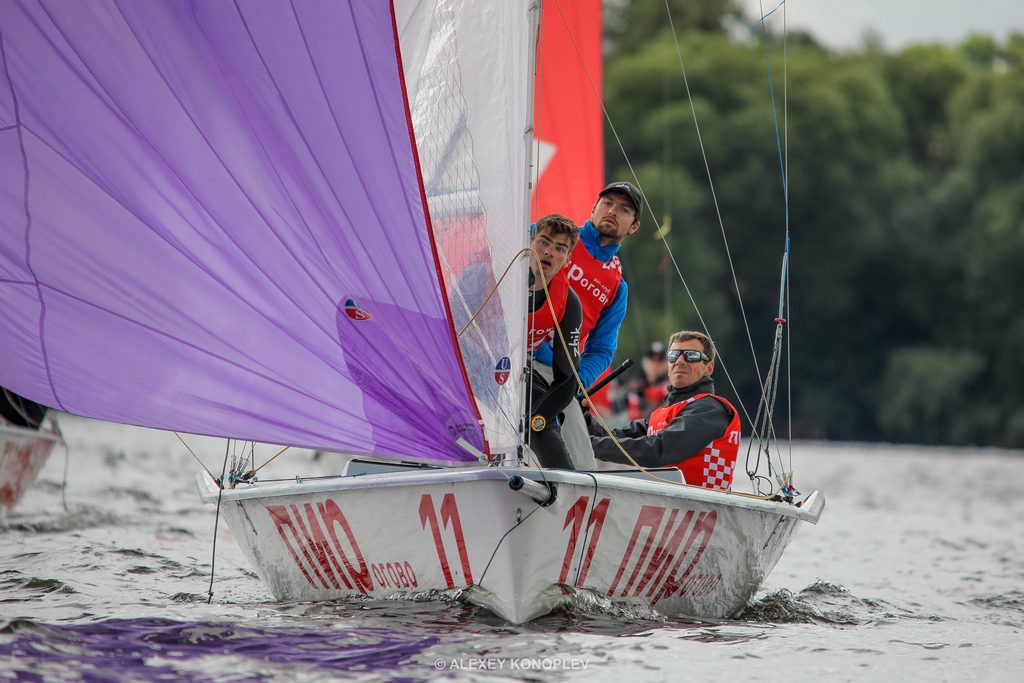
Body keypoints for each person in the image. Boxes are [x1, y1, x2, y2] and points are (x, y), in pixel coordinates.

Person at [532, 181, 642, 469]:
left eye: (624, 210)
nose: (612, 211)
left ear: (633, 226)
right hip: (513, 348)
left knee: (582, 462)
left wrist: (574, 383)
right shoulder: (552, 237)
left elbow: (602, 350)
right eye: (607, 203)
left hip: (557, 372)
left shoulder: (618, 286)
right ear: (593, 208)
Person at [590, 330, 740, 490]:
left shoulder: (711, 410)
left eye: (691, 356)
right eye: (673, 356)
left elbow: (658, 450)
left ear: (708, 368)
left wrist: (589, 446)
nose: (680, 361)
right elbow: (609, 436)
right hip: (665, 505)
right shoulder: (662, 413)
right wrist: (583, 418)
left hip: (704, 508)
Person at [525, 214, 582, 469]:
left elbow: (567, 379)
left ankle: (566, 494)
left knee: (543, 420)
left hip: (516, 369)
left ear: (567, 259)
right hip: (468, 365)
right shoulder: (494, 274)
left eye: (560, 248)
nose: (549, 252)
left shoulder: (568, 302)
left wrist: (538, 417)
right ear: (529, 241)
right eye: (544, 242)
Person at [625, 341, 669, 421]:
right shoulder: (646, 364)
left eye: (658, 355)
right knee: (633, 397)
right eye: (654, 355)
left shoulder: (667, 364)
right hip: (648, 393)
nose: (656, 358)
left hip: (663, 391)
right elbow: (647, 380)